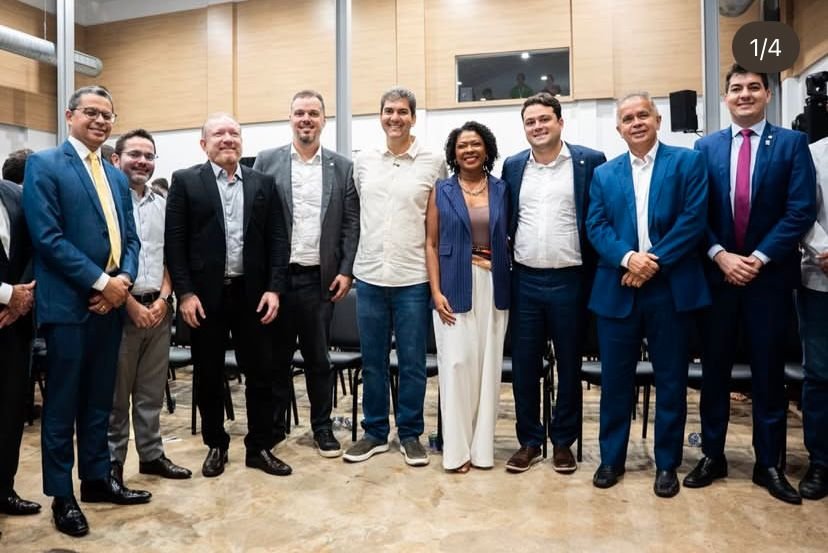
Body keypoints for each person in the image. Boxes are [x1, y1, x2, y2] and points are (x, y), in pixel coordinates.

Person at [22, 85, 149, 538]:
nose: (100, 120)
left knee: (99, 400)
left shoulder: (115, 175)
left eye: (107, 115)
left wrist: (124, 281)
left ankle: (96, 479)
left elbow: (131, 239)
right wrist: (102, 283)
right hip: (70, 306)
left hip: (109, 306)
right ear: (69, 115)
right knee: (62, 406)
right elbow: (47, 237)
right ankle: (62, 495)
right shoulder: (45, 164)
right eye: (91, 112)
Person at [687, 64, 817, 505]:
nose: (744, 94)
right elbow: (695, 211)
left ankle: (769, 464)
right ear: (725, 97)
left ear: (767, 94)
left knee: (768, 374)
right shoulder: (705, 148)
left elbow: (800, 210)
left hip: (769, 280)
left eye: (753, 88)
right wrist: (719, 254)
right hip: (717, 277)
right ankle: (712, 455)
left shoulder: (792, 144)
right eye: (736, 88)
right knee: (715, 372)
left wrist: (758, 258)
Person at [587, 92, 709, 498]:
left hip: (670, 290)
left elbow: (693, 220)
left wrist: (651, 262)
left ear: (658, 120)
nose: (636, 122)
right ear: (618, 128)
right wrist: (628, 259)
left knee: (671, 380)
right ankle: (611, 459)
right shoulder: (604, 174)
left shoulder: (687, 162)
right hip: (618, 288)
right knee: (615, 381)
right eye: (628, 118)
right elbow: (596, 226)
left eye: (643, 115)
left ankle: (667, 463)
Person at [165, 113, 291, 478]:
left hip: (253, 295)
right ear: (203, 144)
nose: (227, 138)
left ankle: (259, 446)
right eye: (218, 133)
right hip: (205, 299)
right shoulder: (185, 181)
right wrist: (185, 294)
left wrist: (274, 288)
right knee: (208, 374)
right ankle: (216, 445)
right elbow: (175, 243)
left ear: (241, 141)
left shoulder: (262, 182)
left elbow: (278, 239)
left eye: (233, 133)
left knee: (261, 373)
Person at [501, 93, 606, 473]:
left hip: (571, 279)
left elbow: (599, 216)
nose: (538, 127)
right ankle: (529, 441)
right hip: (524, 280)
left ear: (560, 122)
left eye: (544, 119)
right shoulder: (513, 166)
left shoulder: (589, 161)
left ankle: (563, 442)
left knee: (569, 365)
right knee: (524, 367)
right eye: (530, 122)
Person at [253, 90, 360, 458]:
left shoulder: (342, 167)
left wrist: (346, 271)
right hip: (277, 282)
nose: (306, 119)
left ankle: (322, 428)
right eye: (300, 113)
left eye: (313, 113)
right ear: (290, 118)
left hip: (320, 280)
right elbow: (257, 221)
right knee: (276, 360)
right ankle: (275, 426)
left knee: (319, 360)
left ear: (323, 120)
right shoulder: (266, 161)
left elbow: (350, 224)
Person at [343, 87, 446, 466]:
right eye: (389, 111)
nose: (395, 118)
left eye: (403, 112)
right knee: (373, 361)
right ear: (380, 116)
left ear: (413, 118)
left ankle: (410, 433)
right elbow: (355, 216)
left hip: (413, 278)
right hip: (370, 277)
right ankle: (374, 432)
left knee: (413, 362)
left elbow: (438, 224)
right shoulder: (363, 161)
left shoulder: (433, 162)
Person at [107, 129, 191, 484]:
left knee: (151, 392)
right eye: (134, 154)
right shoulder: (107, 202)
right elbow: (103, 259)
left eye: (149, 156)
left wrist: (163, 299)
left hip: (157, 309)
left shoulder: (162, 204)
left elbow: (171, 256)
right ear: (117, 159)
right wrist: (129, 303)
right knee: (115, 396)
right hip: (118, 310)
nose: (142, 162)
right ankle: (111, 463)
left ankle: (152, 455)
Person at [425, 121, 510, 473]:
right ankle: (456, 453)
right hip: (452, 286)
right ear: (454, 153)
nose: (469, 150)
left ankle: (482, 452)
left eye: (475, 144)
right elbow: (430, 243)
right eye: (462, 146)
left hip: (494, 284)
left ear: (486, 149)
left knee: (488, 371)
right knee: (457, 366)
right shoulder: (441, 190)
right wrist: (435, 292)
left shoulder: (502, 189)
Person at [0, 177, 38, 517]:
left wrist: (21, 297)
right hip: (7, 303)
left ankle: (4, 489)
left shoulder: (15, 194)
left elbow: (35, 248)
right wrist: (6, 294)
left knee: (10, 410)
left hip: (15, 324)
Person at [798, 134, 828, 501]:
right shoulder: (813, 154)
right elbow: (801, 210)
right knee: (819, 375)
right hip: (821, 280)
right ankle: (821, 462)